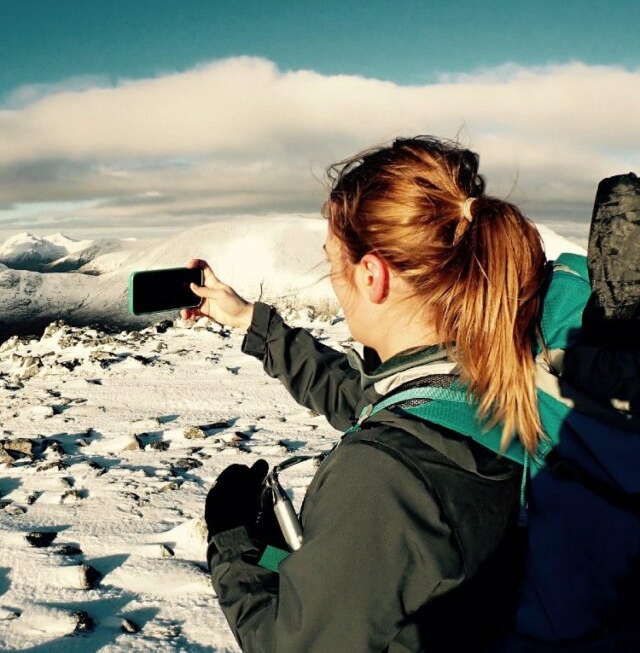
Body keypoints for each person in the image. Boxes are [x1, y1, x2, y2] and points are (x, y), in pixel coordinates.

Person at [181, 136, 547, 652]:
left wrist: (234, 544)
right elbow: (369, 400)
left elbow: (295, 644)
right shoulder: (494, 367)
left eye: (333, 260)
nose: (333, 277)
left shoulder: (381, 482)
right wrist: (249, 322)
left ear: (372, 275)